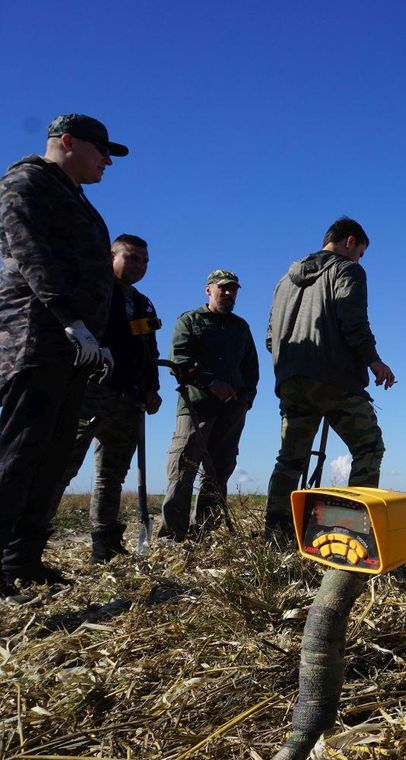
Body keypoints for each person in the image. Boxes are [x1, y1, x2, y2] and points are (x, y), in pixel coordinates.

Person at [0, 114, 127, 593]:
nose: (108, 162)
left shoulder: (72, 195)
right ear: (68, 142)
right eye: (102, 150)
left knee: (51, 457)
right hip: (36, 337)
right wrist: (71, 321)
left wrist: (95, 337)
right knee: (19, 451)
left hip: (74, 348)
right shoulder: (26, 182)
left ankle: (22, 561)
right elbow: (33, 256)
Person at [263, 217, 396, 546]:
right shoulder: (347, 270)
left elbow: (270, 338)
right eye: (360, 253)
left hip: (290, 379)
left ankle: (276, 535)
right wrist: (373, 360)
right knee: (368, 447)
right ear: (350, 241)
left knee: (290, 457)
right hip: (334, 378)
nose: (359, 260)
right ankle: (352, 534)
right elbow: (352, 318)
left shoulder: (284, 281)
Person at [46, 234, 161, 562]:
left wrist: (151, 388)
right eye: (132, 257)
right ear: (111, 256)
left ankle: (104, 543)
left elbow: (148, 350)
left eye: (145, 261)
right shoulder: (94, 291)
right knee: (63, 465)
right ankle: (29, 540)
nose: (139, 265)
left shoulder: (142, 303)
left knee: (112, 473)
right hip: (91, 391)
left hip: (128, 398)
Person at [158, 270, 258, 540]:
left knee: (220, 470)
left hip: (232, 409)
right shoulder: (190, 321)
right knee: (183, 467)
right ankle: (173, 534)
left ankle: (205, 532)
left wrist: (246, 399)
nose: (228, 293)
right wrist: (210, 382)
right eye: (223, 288)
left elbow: (251, 368)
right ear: (208, 290)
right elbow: (178, 359)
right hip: (196, 406)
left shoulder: (241, 327)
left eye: (233, 289)